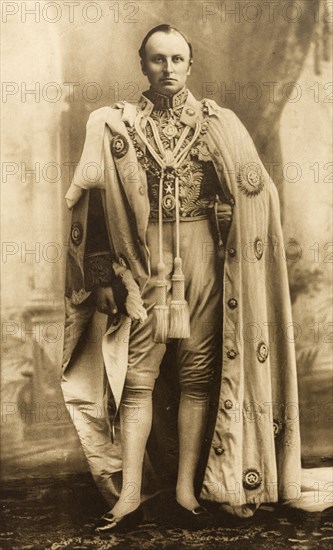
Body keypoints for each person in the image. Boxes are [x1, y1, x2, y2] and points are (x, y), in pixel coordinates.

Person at [61, 24, 301, 532]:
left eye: (176, 59)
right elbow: (96, 204)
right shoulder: (116, 128)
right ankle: (128, 497)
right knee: (138, 379)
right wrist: (102, 273)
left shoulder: (219, 123)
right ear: (142, 65)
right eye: (156, 59)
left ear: (190, 66)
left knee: (196, 377)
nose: (167, 69)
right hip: (140, 261)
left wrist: (232, 213)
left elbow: (258, 193)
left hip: (204, 262)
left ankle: (188, 491)